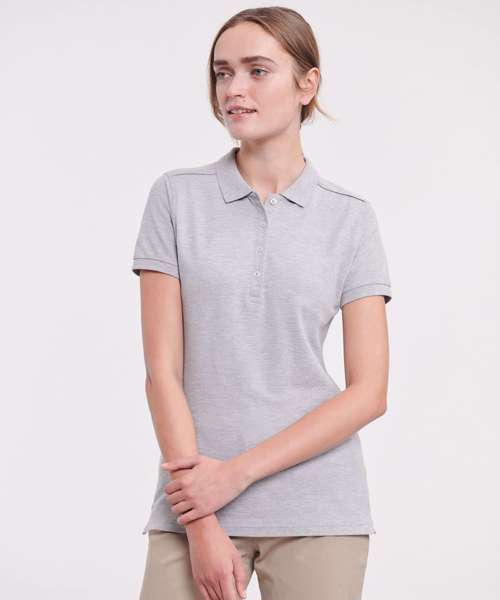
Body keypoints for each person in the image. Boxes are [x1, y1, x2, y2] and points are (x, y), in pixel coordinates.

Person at [132, 7, 392, 600]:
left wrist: (235, 475)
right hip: (192, 499)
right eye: (223, 72)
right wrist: (202, 515)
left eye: (257, 70)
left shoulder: (350, 218)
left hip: (317, 507)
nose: (233, 89)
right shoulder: (176, 198)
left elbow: (369, 393)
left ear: (307, 84)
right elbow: (161, 373)